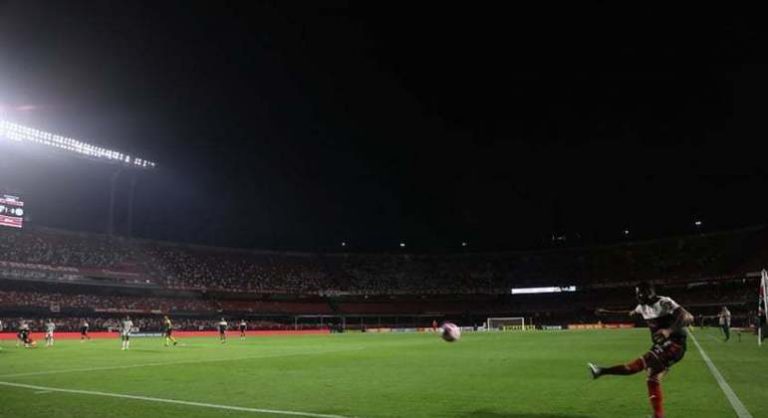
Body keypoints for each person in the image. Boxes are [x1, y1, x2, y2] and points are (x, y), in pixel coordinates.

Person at [589, 282, 693, 418]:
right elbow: (629, 313)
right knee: (652, 379)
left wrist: (669, 330)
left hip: (675, 344)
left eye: (640, 293)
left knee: (636, 365)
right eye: (637, 293)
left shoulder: (664, 302)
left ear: (649, 293)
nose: (638, 296)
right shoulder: (641, 307)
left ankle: (601, 371)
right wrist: (606, 312)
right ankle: (658, 416)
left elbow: (686, 316)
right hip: (661, 346)